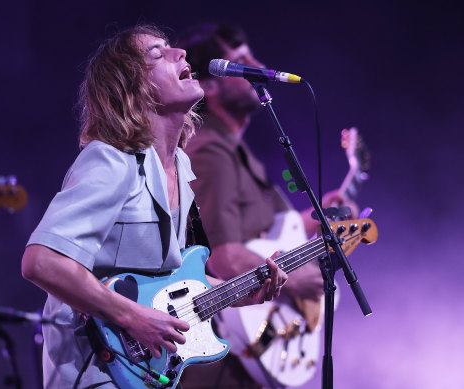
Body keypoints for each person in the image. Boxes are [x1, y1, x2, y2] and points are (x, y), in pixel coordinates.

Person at [21, 25, 288, 389]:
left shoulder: (179, 167)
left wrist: (240, 293)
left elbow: (168, 283)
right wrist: (131, 317)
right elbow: (42, 261)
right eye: (158, 54)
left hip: (144, 375)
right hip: (94, 372)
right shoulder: (111, 160)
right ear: (131, 87)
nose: (181, 54)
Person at [176, 23, 358, 388]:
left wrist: (320, 216)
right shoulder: (210, 151)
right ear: (210, 83)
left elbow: (270, 227)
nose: (256, 65)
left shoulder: (235, 150)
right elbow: (221, 256)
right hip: (223, 361)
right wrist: (296, 280)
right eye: (240, 61)